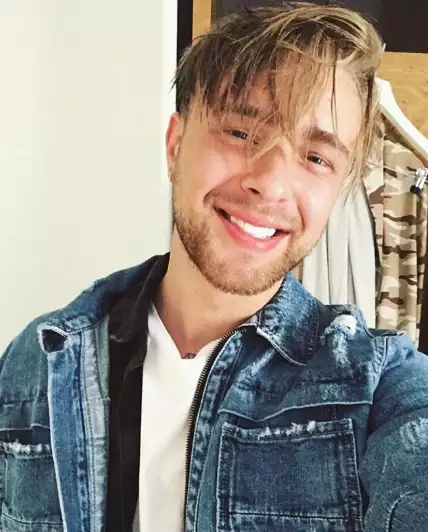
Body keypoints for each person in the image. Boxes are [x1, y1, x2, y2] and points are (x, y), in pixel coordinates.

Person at [1, 3, 427, 531]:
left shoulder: (377, 384)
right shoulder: (35, 363)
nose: (270, 183)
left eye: (316, 158)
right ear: (175, 147)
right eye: (242, 132)